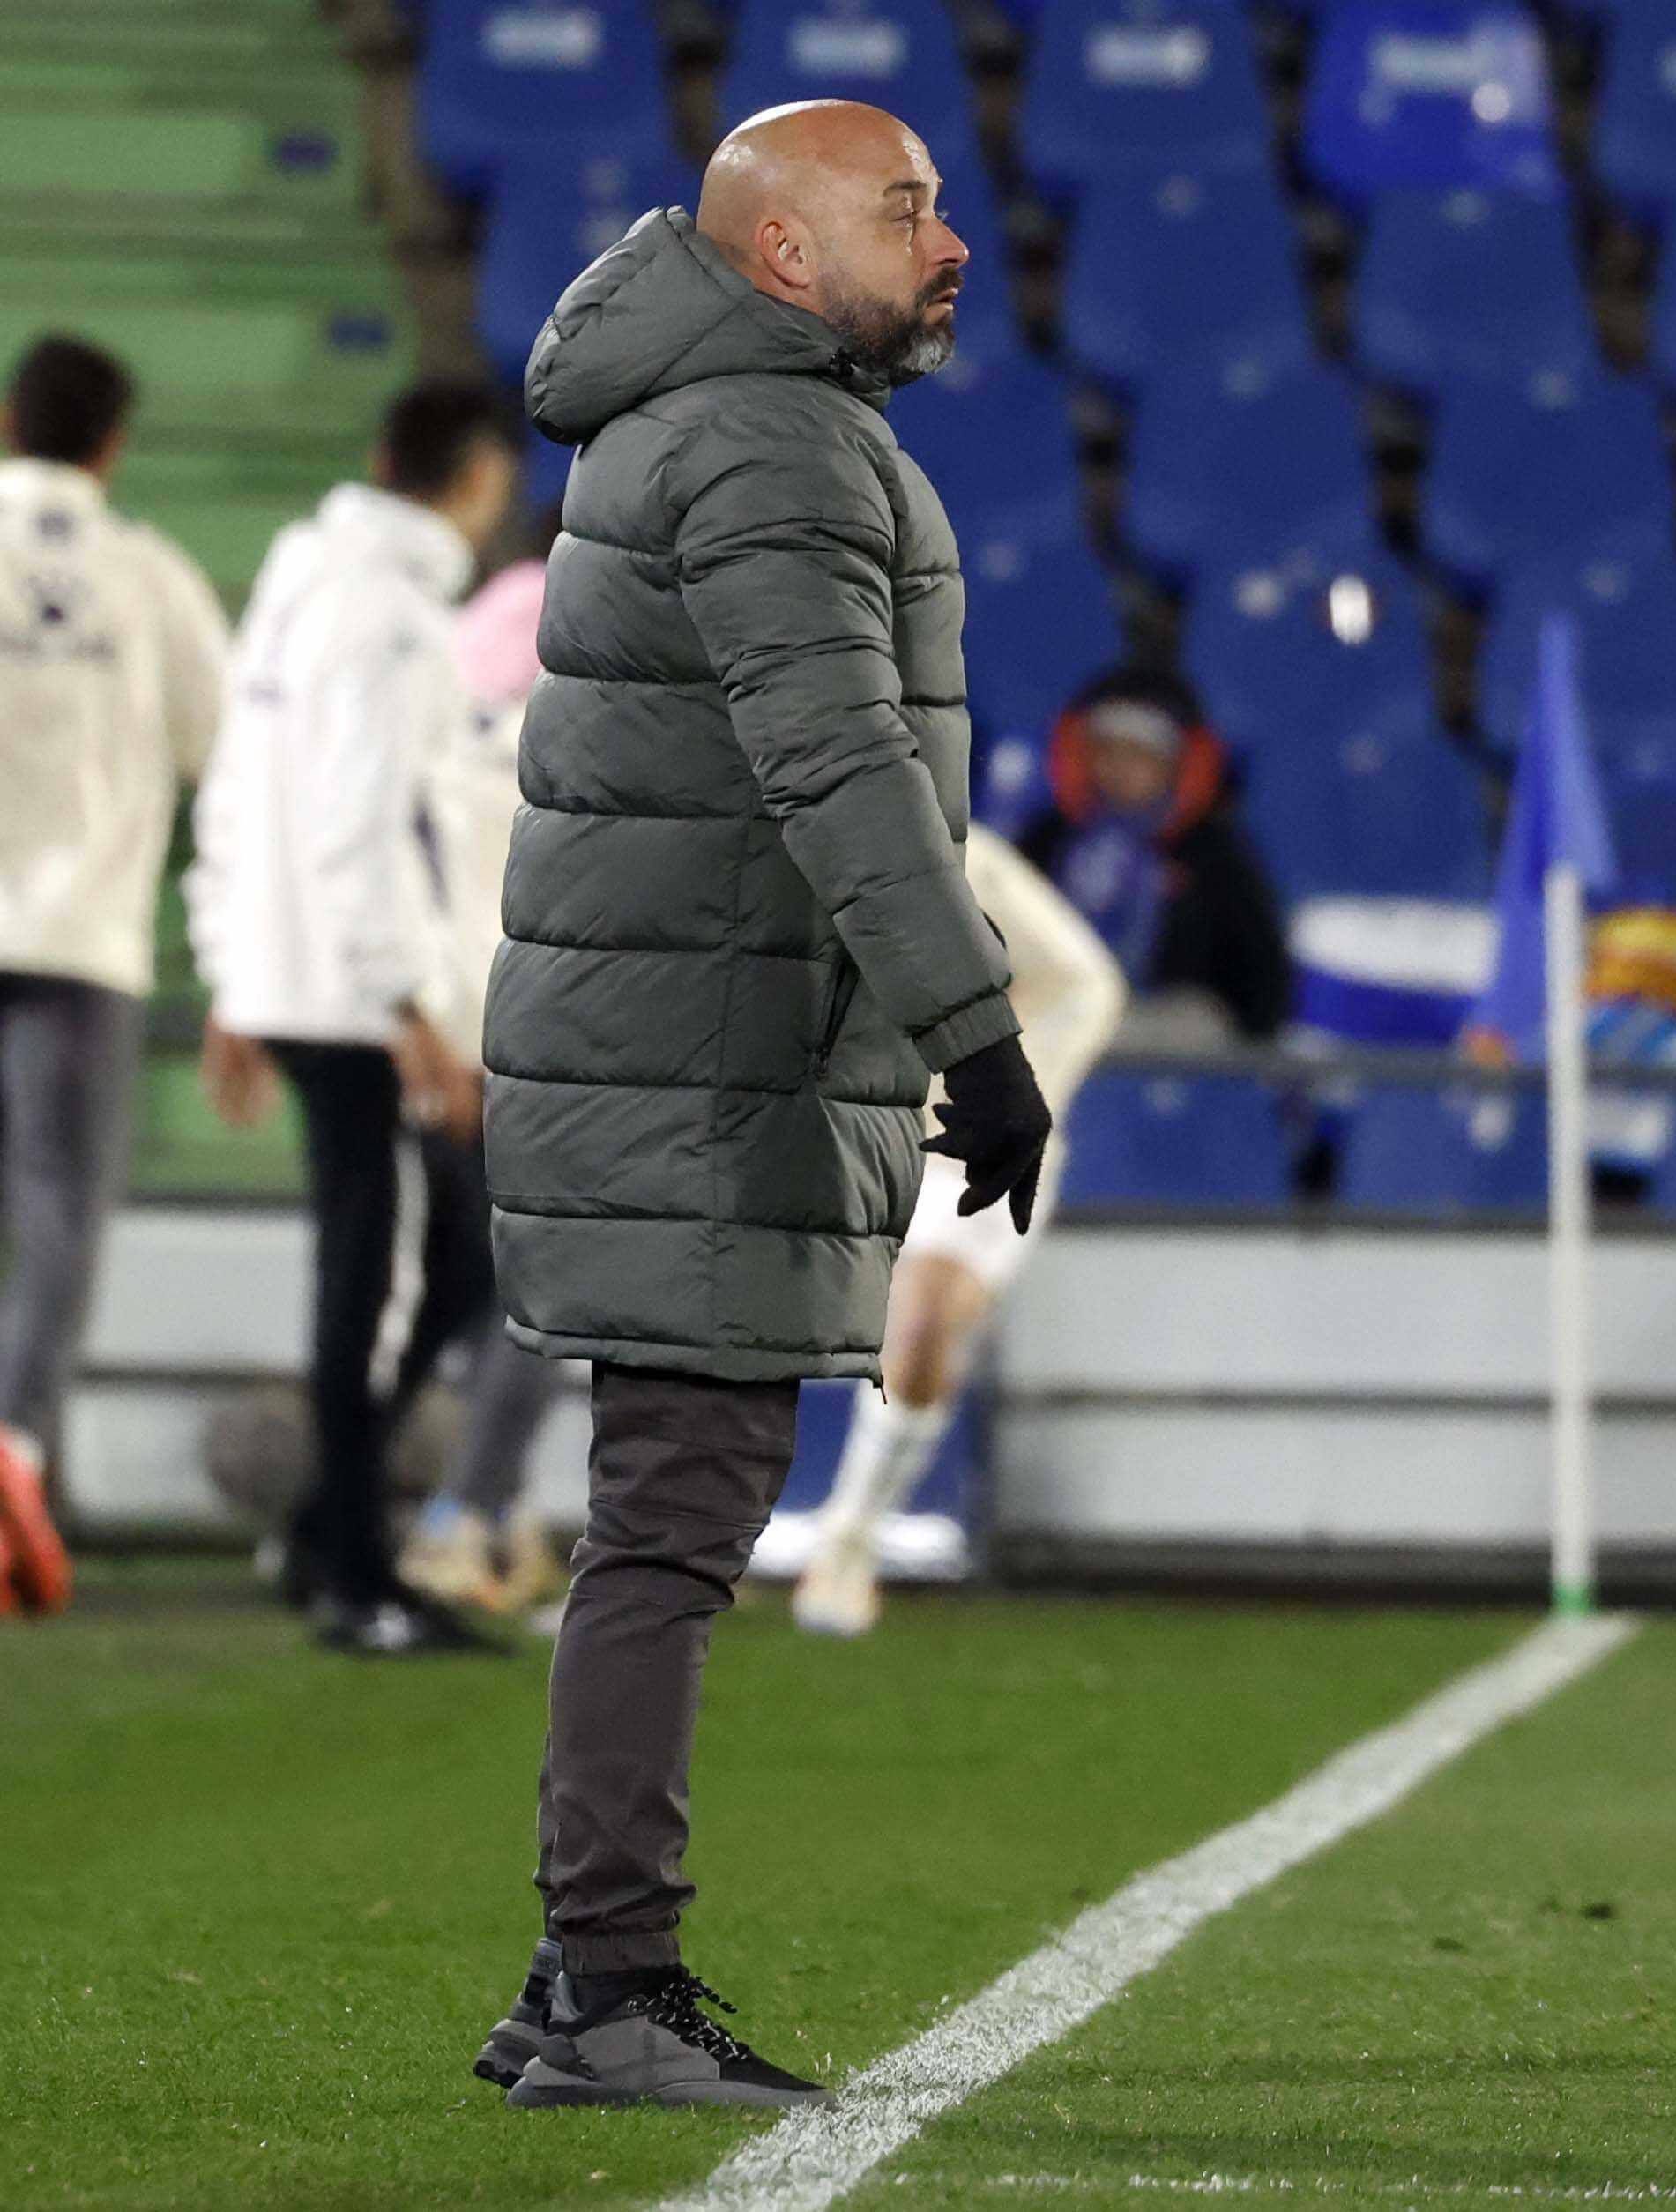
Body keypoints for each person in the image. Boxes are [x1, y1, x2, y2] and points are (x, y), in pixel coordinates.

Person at [473, 99, 1047, 2110]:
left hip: (681, 1058)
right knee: (674, 1528)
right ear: (787, 253)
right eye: (908, 209)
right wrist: (973, 1029)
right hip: (701, 1082)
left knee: (666, 1520)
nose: (950, 240)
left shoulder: (703, 421)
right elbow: (841, 765)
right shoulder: (768, 440)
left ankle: (579, 1978)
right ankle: (607, 1985)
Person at [188, 379, 520, 1657]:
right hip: (356, 996)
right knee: (388, 1286)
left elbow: (239, 790)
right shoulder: (387, 617)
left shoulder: (297, 585)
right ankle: (353, 1574)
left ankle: (335, 1536)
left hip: (300, 976)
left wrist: (232, 970)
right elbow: (357, 822)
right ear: (478, 477)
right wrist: (410, 1011)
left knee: (431, 1267)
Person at [0, 336, 231, 1619]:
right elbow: (231, 756)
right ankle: (19, 1459)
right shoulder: (149, 579)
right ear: (112, 444)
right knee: (55, 1227)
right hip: (82, 951)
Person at [793, 823, 1122, 1636]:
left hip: (955, 1134)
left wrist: (1001, 1095)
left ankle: (852, 1534)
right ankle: (656, 1543)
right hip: (815, 1121)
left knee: (924, 1321)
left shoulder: (955, 855)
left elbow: (1085, 984)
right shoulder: (711, 839)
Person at [393, 559, 570, 1622]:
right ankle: (461, 1514)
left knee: (455, 1297)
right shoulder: (581, 749)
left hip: (441, 1046)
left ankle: (473, 1515)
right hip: (542, 1047)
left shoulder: (440, 746)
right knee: (535, 1301)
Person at [996, 667, 1293, 1046]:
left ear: (1177, 764)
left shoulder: (1213, 856)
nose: (1120, 769)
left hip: (1162, 1035)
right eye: (1107, 752)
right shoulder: (1048, 840)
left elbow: (1259, 986)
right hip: (1054, 1013)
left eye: (1139, 755)